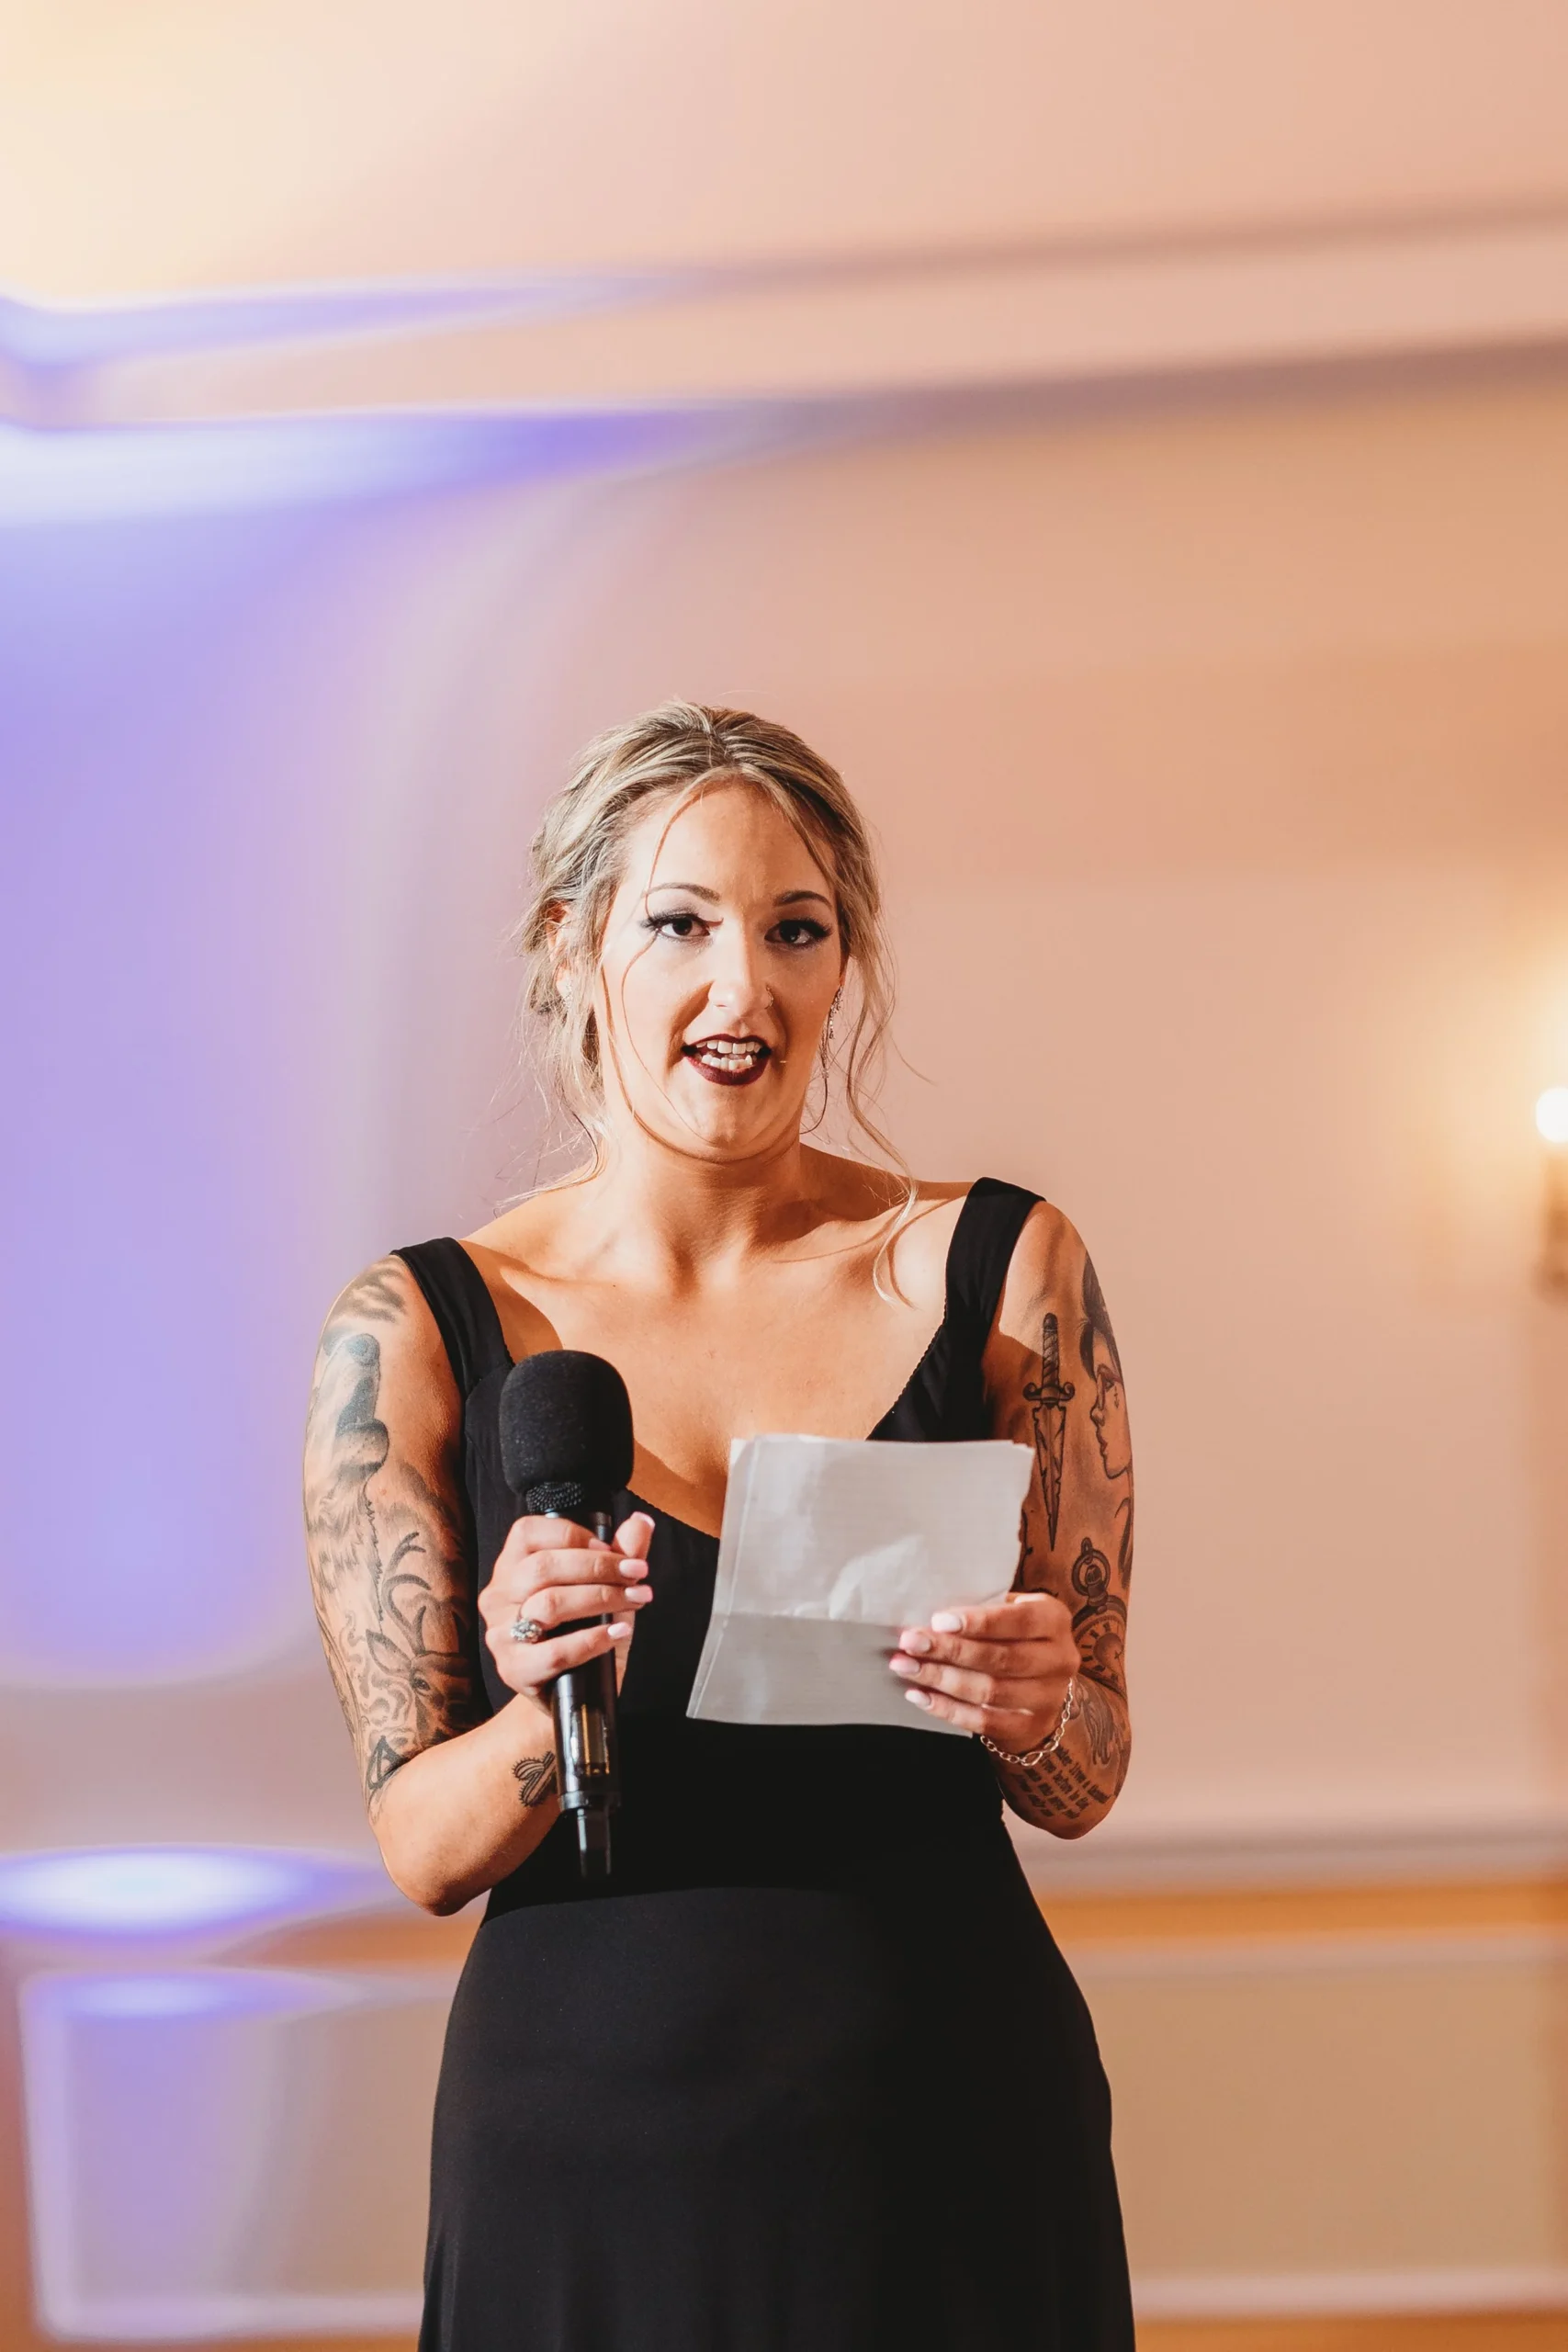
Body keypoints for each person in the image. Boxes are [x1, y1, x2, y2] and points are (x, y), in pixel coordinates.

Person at [303, 703, 1137, 2351]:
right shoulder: (411, 1330)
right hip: (581, 2162)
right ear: (573, 950)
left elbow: (1087, 1777)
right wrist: (545, 1706)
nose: (741, 989)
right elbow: (421, 1852)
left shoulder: (999, 1271)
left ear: (845, 966)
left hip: (952, 2134)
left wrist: (1036, 1708)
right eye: (679, 924)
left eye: (794, 930)